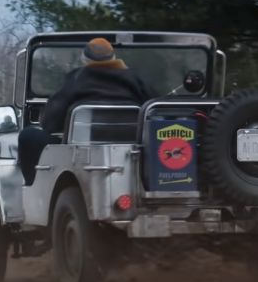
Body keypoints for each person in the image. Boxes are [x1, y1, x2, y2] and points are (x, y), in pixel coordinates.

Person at [18, 37, 157, 185]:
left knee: (28, 136)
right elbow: (153, 111)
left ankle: (35, 185)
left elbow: (51, 123)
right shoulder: (135, 79)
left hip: (80, 151)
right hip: (130, 150)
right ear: (114, 57)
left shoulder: (76, 79)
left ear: (85, 59)